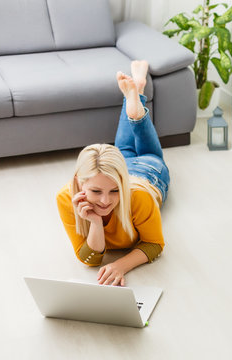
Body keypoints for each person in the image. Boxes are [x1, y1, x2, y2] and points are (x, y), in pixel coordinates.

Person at [56, 60, 170, 286]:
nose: (106, 201)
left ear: (122, 184)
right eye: (96, 191)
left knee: (148, 154)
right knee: (124, 150)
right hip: (115, 168)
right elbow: (88, 258)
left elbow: (154, 244)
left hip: (148, 173)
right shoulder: (66, 198)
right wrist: (96, 223)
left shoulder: (139, 197)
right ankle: (135, 94)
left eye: (115, 191)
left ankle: (136, 96)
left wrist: (121, 265)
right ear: (80, 182)